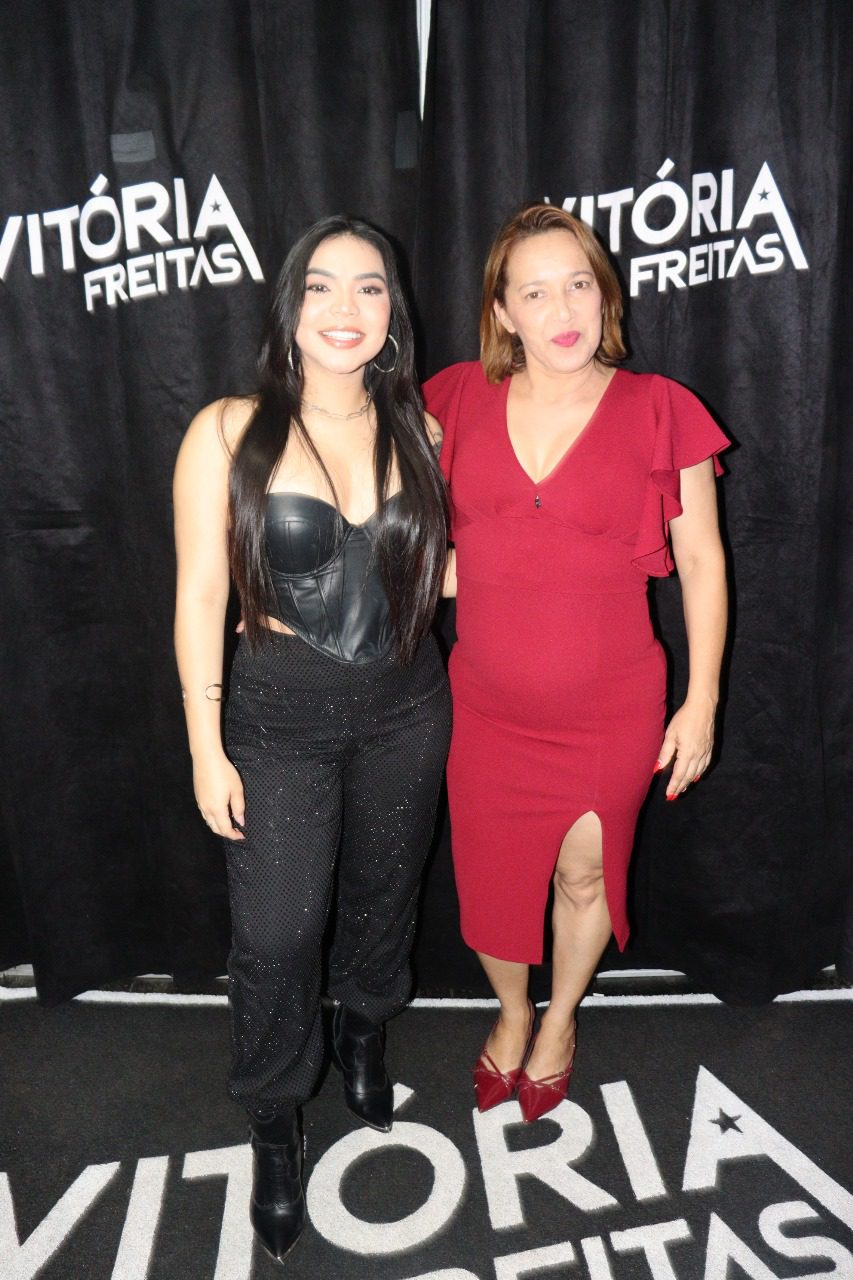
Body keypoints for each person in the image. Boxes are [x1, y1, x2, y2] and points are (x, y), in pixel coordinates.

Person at [173, 215, 451, 1261]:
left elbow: (441, 573)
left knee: (385, 892)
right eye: (321, 285)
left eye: (369, 287)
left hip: (406, 703)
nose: (345, 308)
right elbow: (201, 594)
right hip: (278, 715)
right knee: (279, 932)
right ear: (288, 305)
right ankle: (275, 1118)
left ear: (392, 311)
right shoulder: (227, 430)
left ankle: (364, 1029)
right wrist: (205, 743)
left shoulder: (423, 429)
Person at [424, 203, 728, 1123]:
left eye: (577, 285)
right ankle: (512, 1010)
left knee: (584, 877)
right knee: (489, 883)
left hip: (611, 708)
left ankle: (558, 1019)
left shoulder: (659, 409)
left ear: (605, 295)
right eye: (534, 292)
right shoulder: (452, 399)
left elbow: (703, 563)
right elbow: (372, 499)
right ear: (502, 312)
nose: (561, 310)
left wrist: (701, 702)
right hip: (483, 707)